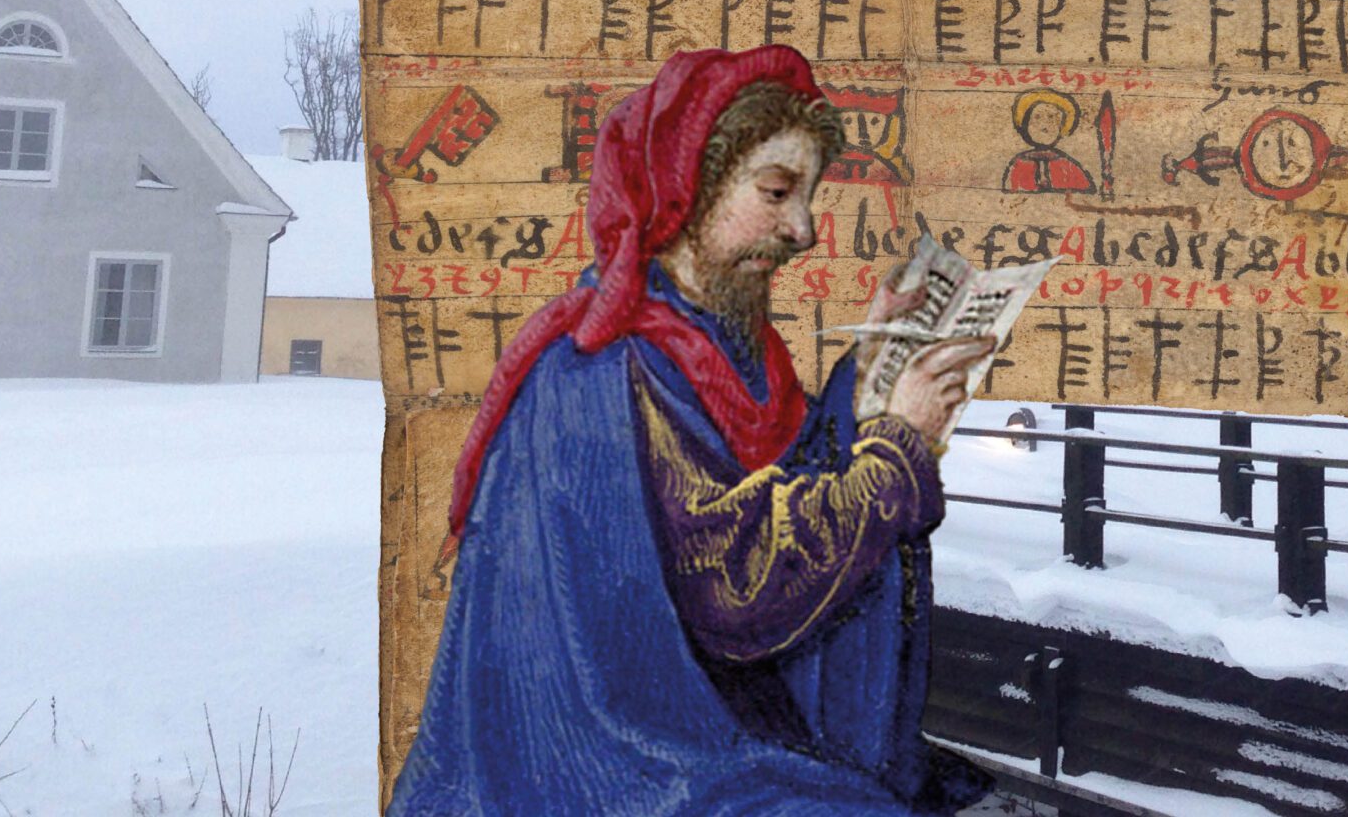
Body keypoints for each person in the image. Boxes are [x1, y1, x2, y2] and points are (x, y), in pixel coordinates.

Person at [390, 45, 997, 816]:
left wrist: (867, 376)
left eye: (806, 198)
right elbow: (733, 585)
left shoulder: (723, 346)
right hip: (609, 761)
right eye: (777, 192)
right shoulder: (596, 379)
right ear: (687, 190)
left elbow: (781, 486)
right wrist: (897, 453)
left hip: (705, 717)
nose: (804, 231)